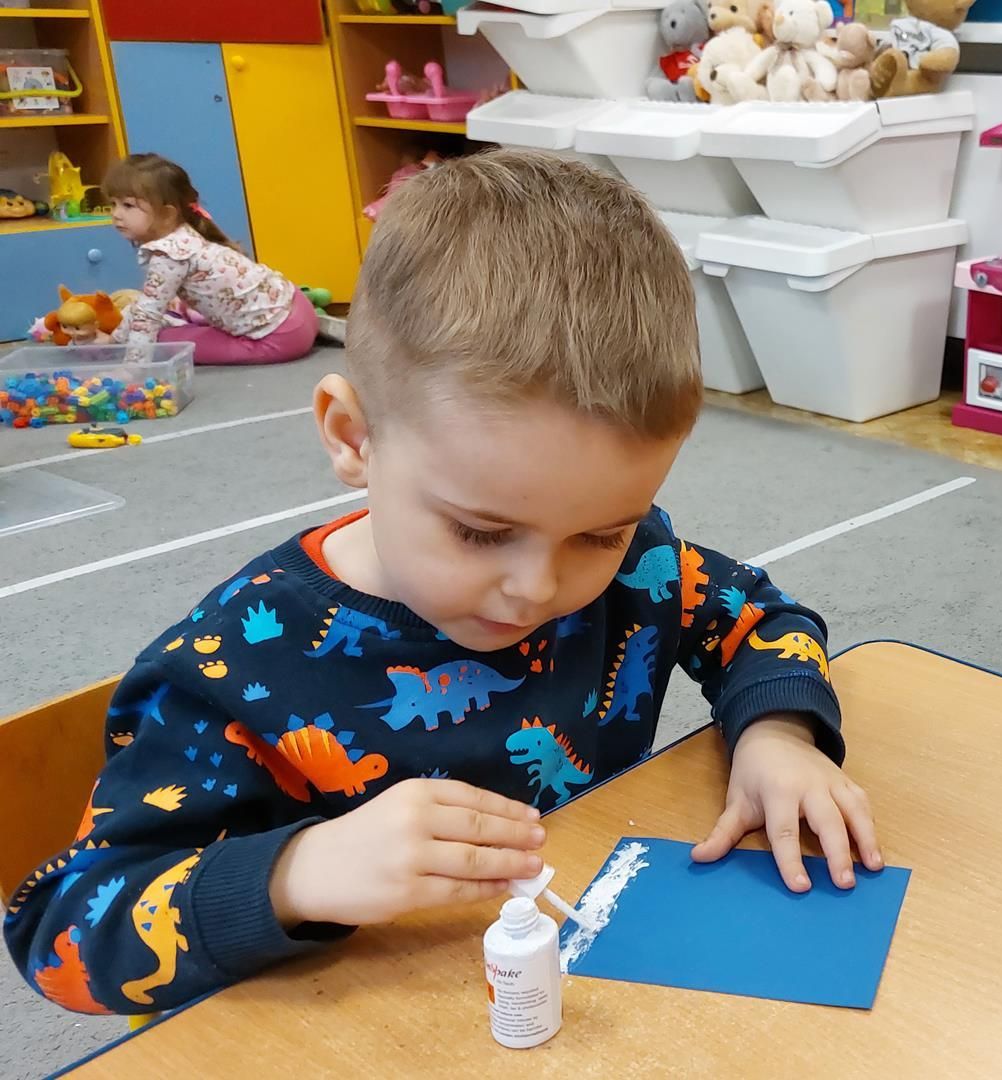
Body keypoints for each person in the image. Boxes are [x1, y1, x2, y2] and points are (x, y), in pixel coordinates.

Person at [8, 150, 879, 1016]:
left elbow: (760, 616)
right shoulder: (226, 668)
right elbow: (62, 936)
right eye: (481, 532)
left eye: (600, 533)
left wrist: (779, 733)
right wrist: (295, 874)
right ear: (352, 437)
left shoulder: (636, 564)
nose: (536, 588)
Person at [103, 154, 317, 365]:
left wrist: (133, 372)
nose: (116, 214)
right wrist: (114, 342)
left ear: (167, 214)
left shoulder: (169, 256)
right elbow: (146, 305)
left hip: (279, 337)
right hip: (298, 308)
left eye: (128, 205)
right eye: (113, 204)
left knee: (164, 340)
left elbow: (147, 317)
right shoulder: (183, 235)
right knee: (154, 310)